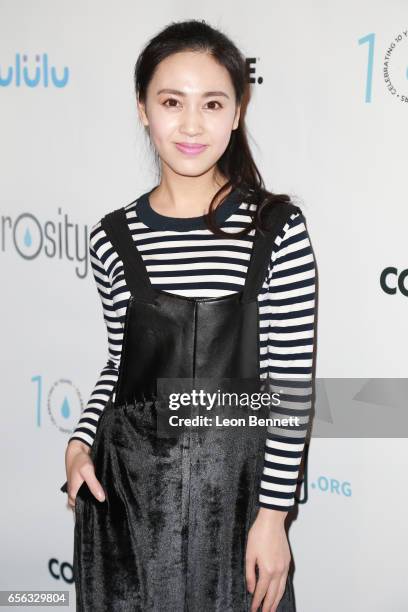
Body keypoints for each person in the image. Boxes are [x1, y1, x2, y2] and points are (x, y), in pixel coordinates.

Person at [61, 19, 316, 612]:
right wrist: (79, 442)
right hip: (126, 506)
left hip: (235, 510)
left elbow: (291, 388)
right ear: (143, 109)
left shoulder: (275, 229)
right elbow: (120, 368)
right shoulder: (111, 237)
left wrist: (273, 516)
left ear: (235, 112)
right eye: (172, 102)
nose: (192, 124)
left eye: (212, 103)